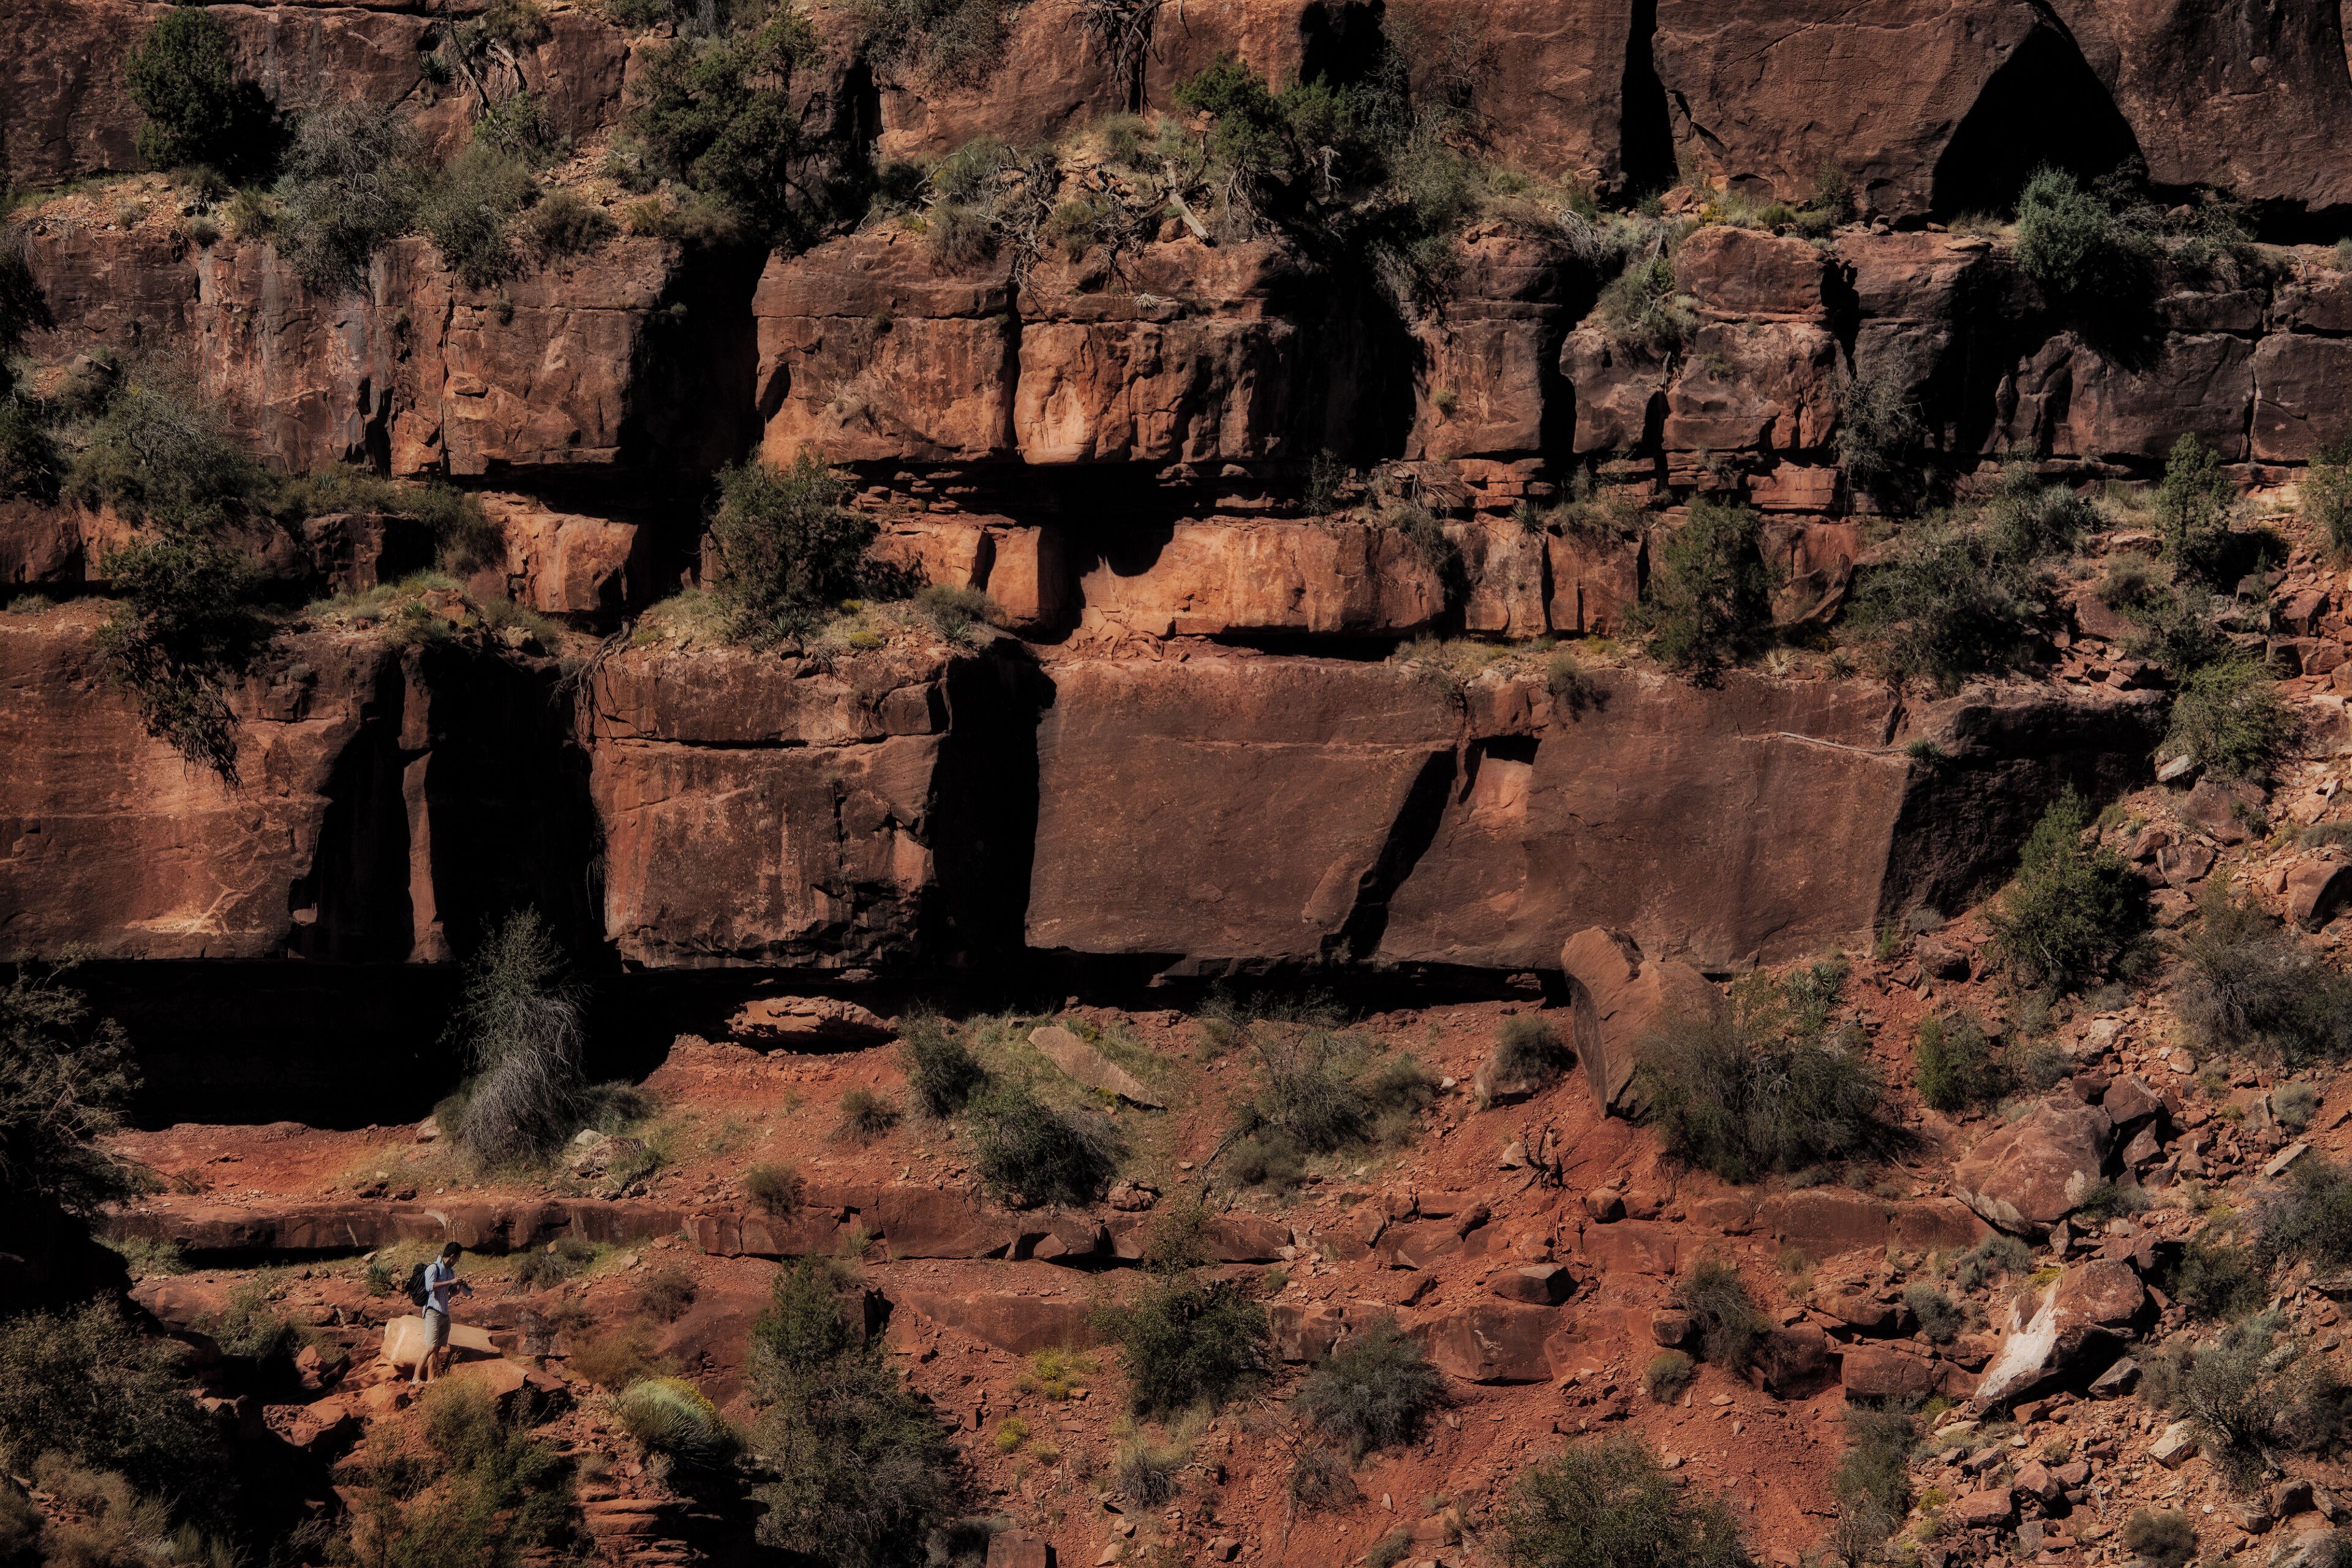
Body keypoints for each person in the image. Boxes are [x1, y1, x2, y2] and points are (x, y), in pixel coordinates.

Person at [413, 1242, 473, 1385]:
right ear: (452, 1256)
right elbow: (430, 1287)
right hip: (432, 1312)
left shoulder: (450, 1272)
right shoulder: (433, 1268)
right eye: (458, 1258)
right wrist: (451, 1281)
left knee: (437, 1349)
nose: (457, 1261)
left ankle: (431, 1379)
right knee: (430, 1347)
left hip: (445, 1314)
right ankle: (415, 1378)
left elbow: (451, 1293)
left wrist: (458, 1287)